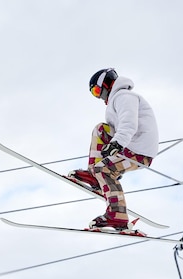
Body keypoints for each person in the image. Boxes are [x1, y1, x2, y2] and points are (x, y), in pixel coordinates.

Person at [68, 68, 159, 231]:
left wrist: (117, 143)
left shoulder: (125, 97)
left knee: (103, 169)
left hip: (138, 151)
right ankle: (95, 176)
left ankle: (117, 215)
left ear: (106, 84)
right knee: (101, 130)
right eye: (94, 94)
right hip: (131, 144)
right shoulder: (118, 99)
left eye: (97, 91)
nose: (98, 96)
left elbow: (129, 123)